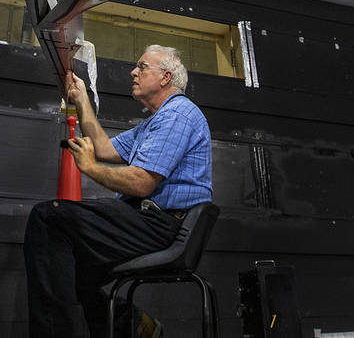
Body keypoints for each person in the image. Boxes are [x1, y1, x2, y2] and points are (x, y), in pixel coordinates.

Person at [24, 45, 213, 337]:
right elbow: (105, 148)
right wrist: (82, 99)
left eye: (142, 66)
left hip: (160, 225)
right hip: (145, 220)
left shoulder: (179, 114)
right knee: (67, 269)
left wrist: (90, 168)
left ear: (165, 78)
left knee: (49, 218)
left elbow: (142, 182)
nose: (133, 72)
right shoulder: (155, 121)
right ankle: (135, 325)